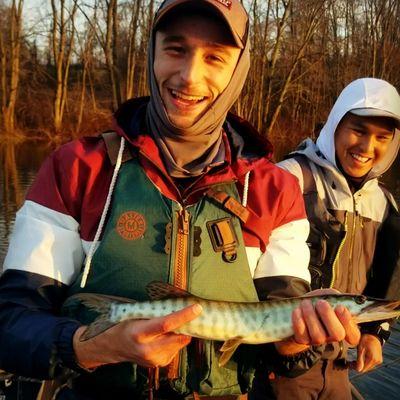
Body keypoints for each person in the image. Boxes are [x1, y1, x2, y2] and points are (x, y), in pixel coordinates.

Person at [0, 1, 361, 399]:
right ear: (152, 52)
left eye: (215, 57)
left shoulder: (275, 190)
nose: (190, 76)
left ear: (238, 69)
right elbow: (11, 322)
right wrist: (90, 345)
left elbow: (279, 347)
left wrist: (296, 341)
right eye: (176, 49)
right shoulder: (78, 168)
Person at [272, 77, 400, 399]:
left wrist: (373, 333)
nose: (367, 148)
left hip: (342, 359)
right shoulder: (290, 178)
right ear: (335, 125)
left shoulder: (385, 204)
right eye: (357, 130)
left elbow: (388, 281)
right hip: (281, 360)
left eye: (382, 137)